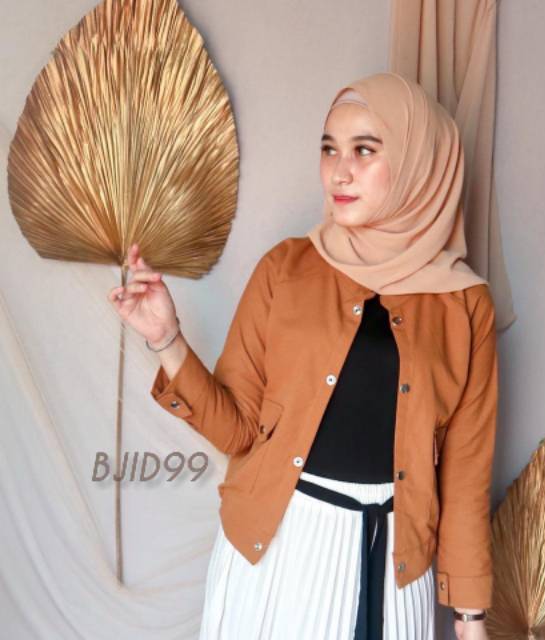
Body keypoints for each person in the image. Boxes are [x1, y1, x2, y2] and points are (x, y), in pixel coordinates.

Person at [108, 71, 498, 640]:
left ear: (420, 163)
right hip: (280, 552)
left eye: (365, 150)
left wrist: (470, 618)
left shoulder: (465, 306)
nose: (339, 171)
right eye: (329, 149)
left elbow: (465, 475)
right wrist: (166, 338)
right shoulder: (284, 270)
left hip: (398, 565)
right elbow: (239, 429)